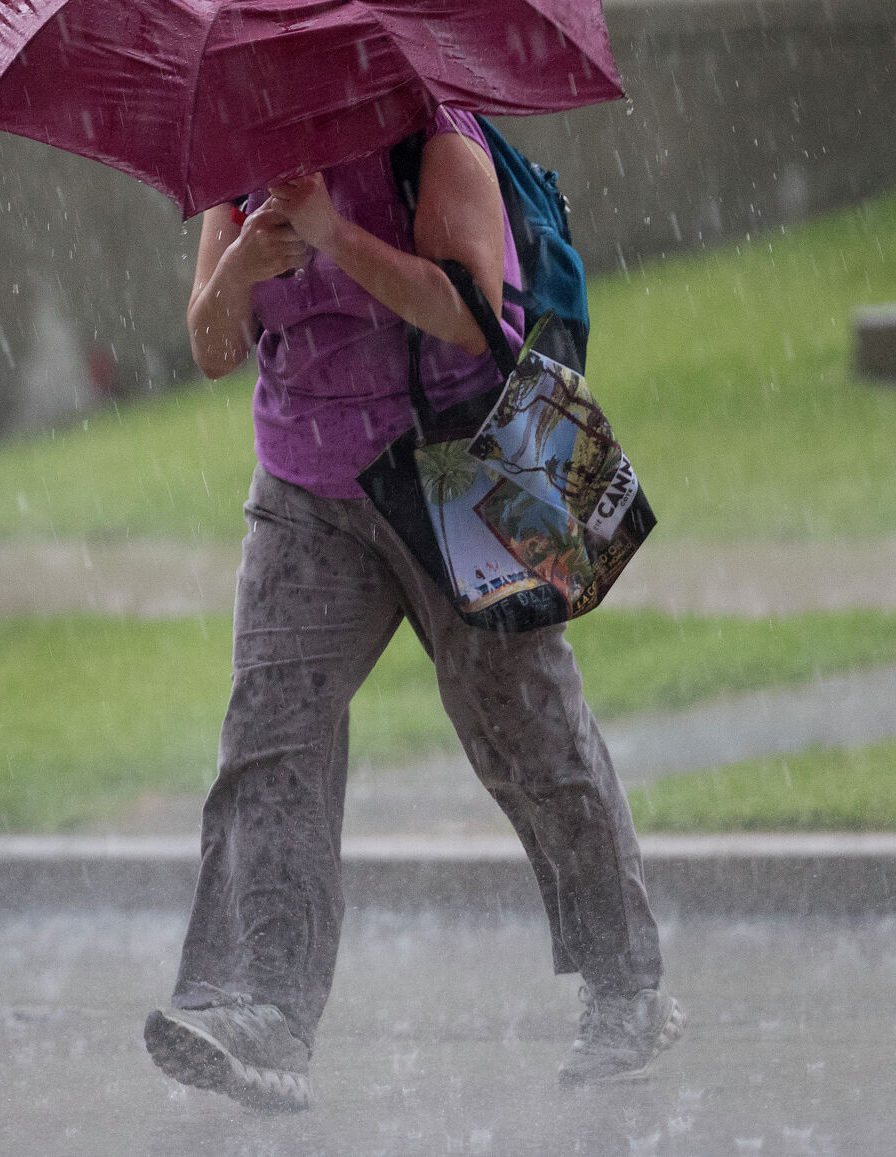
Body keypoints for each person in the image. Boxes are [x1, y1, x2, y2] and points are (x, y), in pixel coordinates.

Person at [140, 104, 681, 1111]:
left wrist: (336, 237)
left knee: (525, 738)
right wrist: (244, 269)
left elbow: (471, 313)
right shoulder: (236, 156)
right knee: (270, 736)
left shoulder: (429, 135)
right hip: (305, 488)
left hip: (459, 470)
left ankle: (624, 986)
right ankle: (261, 1010)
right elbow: (213, 347)